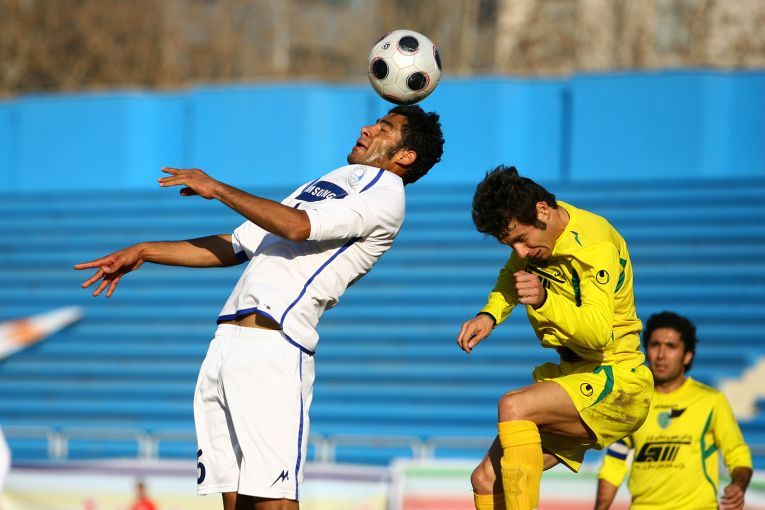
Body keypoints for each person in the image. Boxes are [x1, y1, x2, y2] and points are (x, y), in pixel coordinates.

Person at [75, 105, 444, 510]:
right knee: (234, 501)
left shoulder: (386, 196)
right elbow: (237, 245)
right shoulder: (332, 180)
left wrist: (217, 188)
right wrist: (145, 251)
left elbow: (297, 226)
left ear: (405, 156)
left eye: (385, 128)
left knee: (274, 501)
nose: (367, 127)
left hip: (274, 348)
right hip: (225, 346)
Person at [456, 165, 653, 510]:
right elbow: (511, 276)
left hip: (616, 380)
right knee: (485, 479)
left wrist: (545, 300)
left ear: (543, 210)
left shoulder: (594, 244)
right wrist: (490, 314)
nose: (520, 252)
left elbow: (597, 334)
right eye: (511, 244)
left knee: (514, 406)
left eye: (521, 239)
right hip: (575, 379)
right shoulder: (538, 240)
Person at [595, 311, 753, 510]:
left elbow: (737, 454)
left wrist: (738, 485)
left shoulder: (711, 401)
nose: (661, 355)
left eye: (671, 346)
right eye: (655, 345)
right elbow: (614, 464)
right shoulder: (632, 402)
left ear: (687, 355)